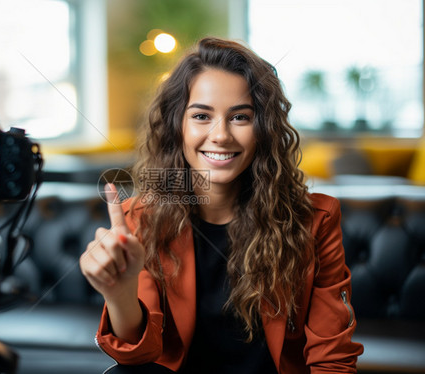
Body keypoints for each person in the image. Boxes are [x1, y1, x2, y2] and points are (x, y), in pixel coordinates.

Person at [80, 37, 363, 373]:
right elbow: (137, 358)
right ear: (177, 126)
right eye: (201, 116)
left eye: (240, 117)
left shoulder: (314, 220)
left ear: (264, 130)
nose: (221, 135)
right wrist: (120, 294)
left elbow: (332, 358)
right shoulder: (140, 218)